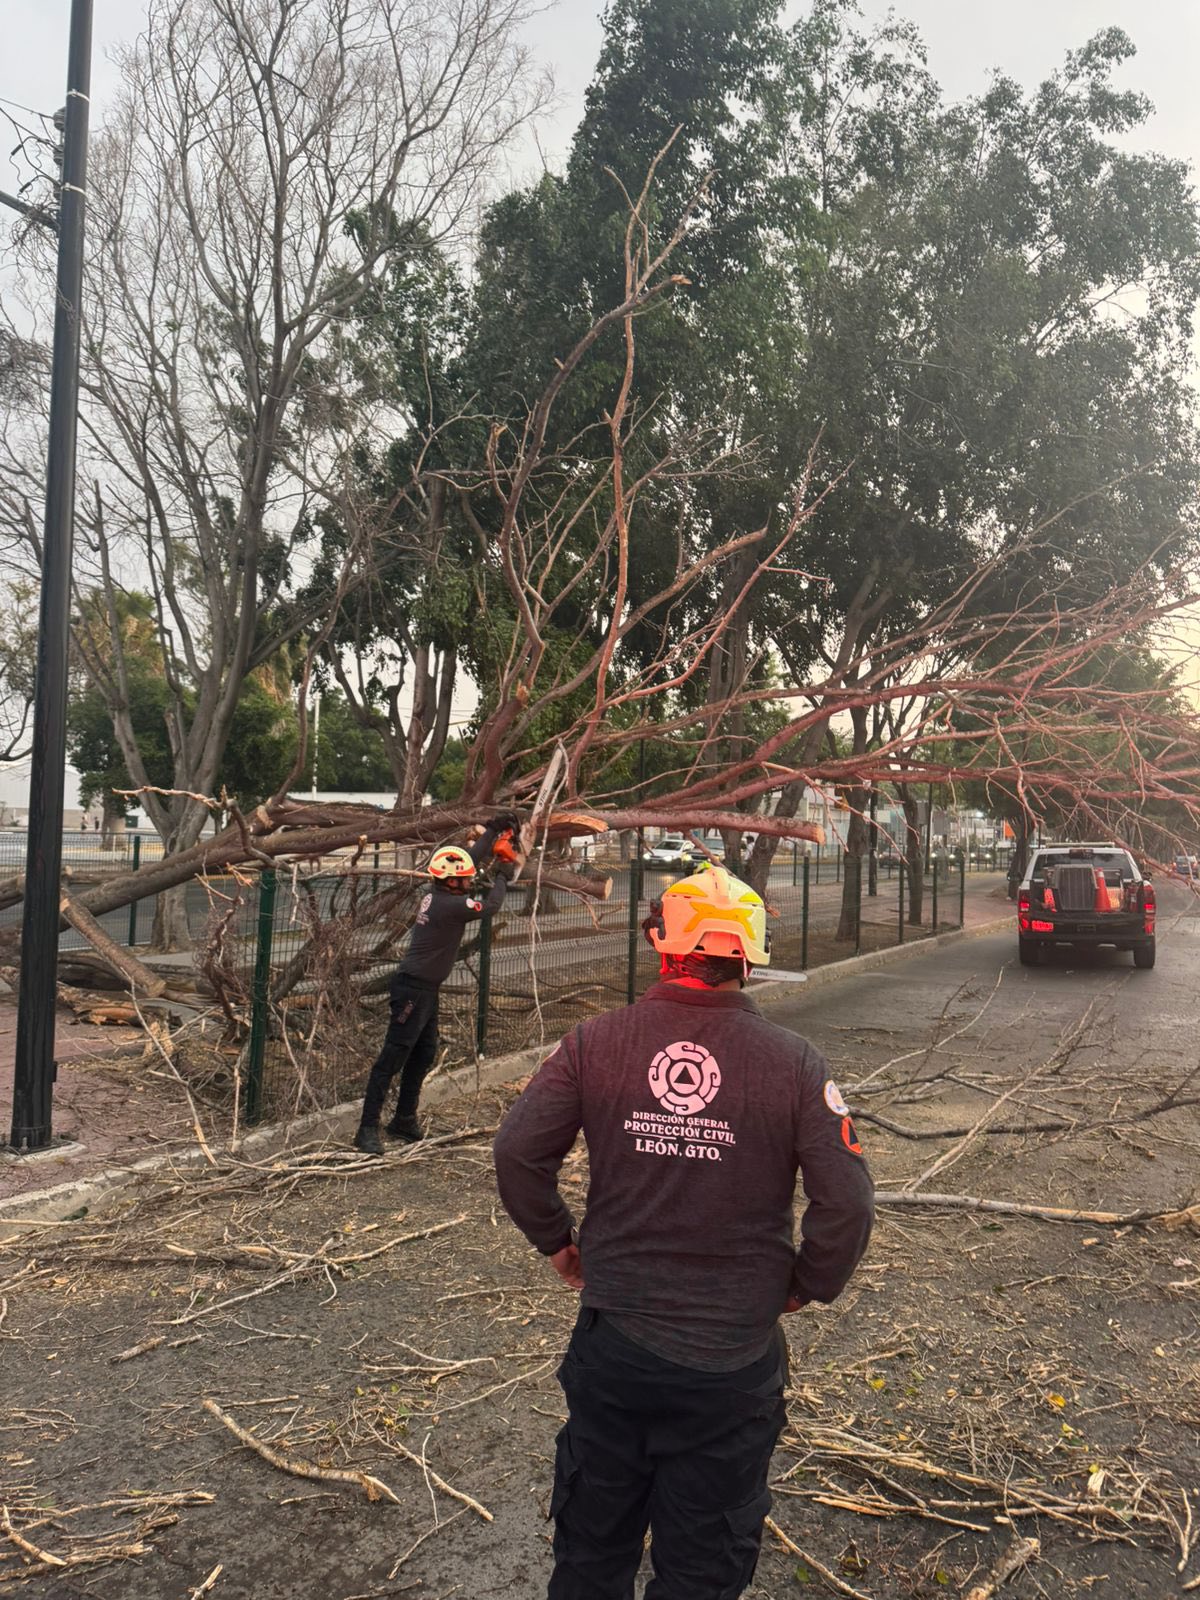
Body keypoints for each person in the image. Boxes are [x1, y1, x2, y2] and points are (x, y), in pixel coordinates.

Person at [493, 863, 874, 1600]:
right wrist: (806, 1284)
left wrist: (558, 1243)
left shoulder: (594, 1042)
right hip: (732, 1366)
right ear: (751, 956)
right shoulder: (795, 1064)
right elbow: (849, 1202)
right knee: (703, 1569)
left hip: (614, 1349)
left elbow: (516, 1153)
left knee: (591, 1553)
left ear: (659, 942)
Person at [353, 814, 520, 1156]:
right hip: (413, 991)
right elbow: (490, 906)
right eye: (465, 878)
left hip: (424, 990)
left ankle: (403, 1120)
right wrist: (504, 876)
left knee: (424, 1052)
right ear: (452, 882)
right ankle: (366, 1128)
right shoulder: (452, 905)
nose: (469, 880)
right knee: (392, 1058)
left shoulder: (440, 891)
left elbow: (465, 860)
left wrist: (492, 830)